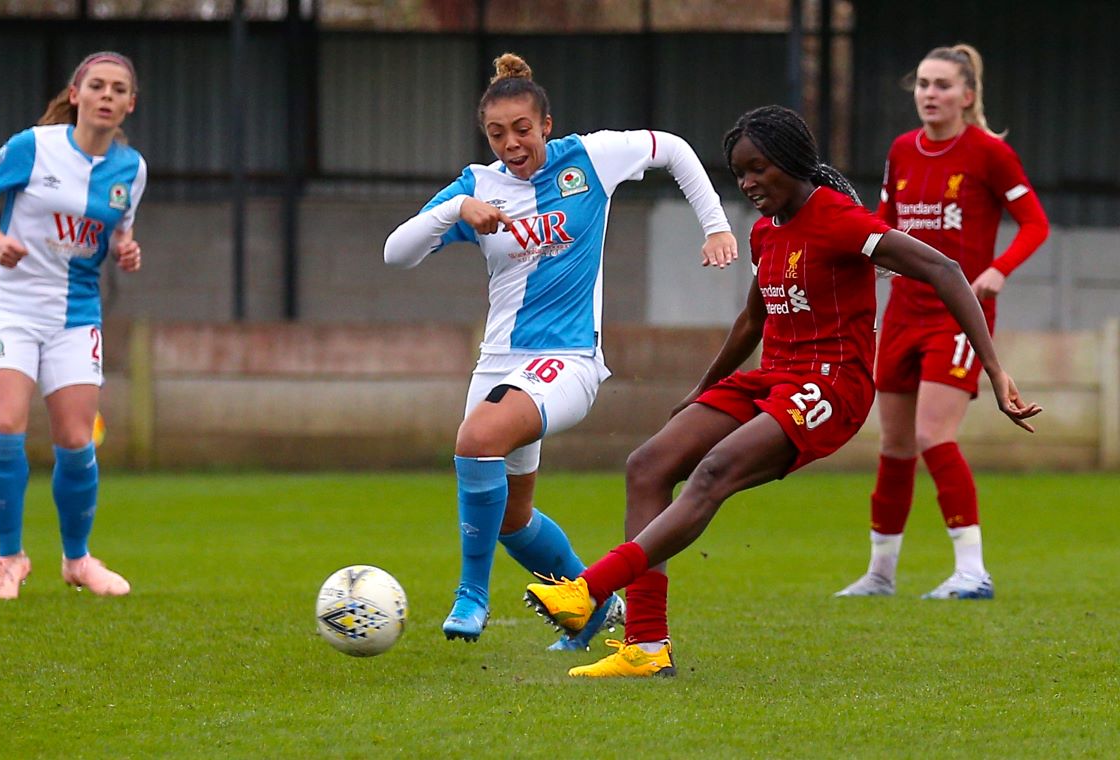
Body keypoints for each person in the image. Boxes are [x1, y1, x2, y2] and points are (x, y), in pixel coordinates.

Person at [524, 105, 1041, 677]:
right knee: (648, 464)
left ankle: (588, 589)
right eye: (739, 174)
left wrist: (994, 370)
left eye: (758, 169)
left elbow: (943, 268)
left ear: (793, 163)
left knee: (713, 472)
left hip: (832, 384)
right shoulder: (765, 231)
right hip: (773, 377)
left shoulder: (841, 220)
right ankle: (646, 648)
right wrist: (702, 391)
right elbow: (752, 321)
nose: (748, 183)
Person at [384, 52, 740, 648]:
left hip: (569, 360)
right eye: (497, 134)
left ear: (546, 124)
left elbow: (674, 147)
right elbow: (397, 253)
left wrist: (716, 225)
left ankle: (472, 594)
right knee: (510, 519)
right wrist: (454, 209)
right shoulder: (477, 186)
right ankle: (592, 608)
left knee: (476, 440)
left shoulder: (590, 159)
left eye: (522, 129)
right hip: (497, 362)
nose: (511, 144)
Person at [835, 43, 1050, 600]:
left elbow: (1035, 224)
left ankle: (973, 572)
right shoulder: (903, 150)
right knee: (895, 444)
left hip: (959, 315)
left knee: (934, 434)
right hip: (903, 311)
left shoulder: (989, 154)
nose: (930, 94)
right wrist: (865, 255)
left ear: (967, 96)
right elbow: (886, 221)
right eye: (924, 84)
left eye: (943, 85)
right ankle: (881, 573)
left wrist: (999, 270)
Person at [0, 51, 147, 600]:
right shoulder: (32, 148)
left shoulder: (131, 170)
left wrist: (126, 249)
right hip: (12, 307)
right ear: (76, 93)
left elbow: (117, 236)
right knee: (7, 424)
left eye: (118, 89)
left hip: (76, 313)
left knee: (73, 437)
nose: (107, 96)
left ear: (129, 104)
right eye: (97, 86)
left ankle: (78, 560)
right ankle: (9, 560)